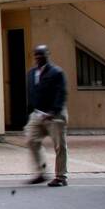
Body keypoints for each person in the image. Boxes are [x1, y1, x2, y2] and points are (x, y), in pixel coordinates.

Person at [24, 44, 68, 186]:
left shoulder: (57, 72)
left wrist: (53, 111)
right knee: (31, 140)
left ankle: (61, 177)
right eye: (36, 54)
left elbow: (61, 93)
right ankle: (41, 172)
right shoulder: (31, 73)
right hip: (37, 114)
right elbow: (31, 92)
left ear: (47, 55)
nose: (38, 57)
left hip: (54, 115)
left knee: (59, 146)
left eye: (41, 54)